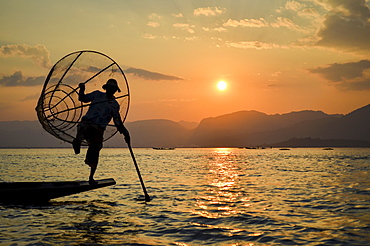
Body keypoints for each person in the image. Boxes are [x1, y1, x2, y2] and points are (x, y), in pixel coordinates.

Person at [73, 79, 131, 184]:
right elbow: (83, 98)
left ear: (115, 90)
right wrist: (82, 89)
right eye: (109, 88)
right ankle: (77, 142)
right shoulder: (97, 95)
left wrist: (125, 133)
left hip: (99, 129)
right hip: (87, 123)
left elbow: (117, 121)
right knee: (83, 128)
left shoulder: (114, 105)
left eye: (113, 89)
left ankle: (91, 178)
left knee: (95, 152)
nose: (111, 90)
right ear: (106, 88)